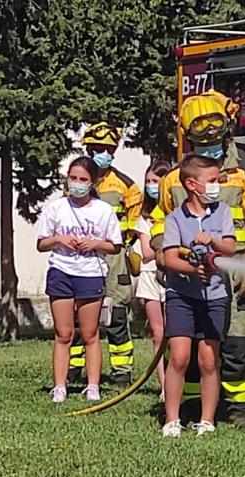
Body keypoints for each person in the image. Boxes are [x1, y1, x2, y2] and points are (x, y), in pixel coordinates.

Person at [151, 89, 245, 428]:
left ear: (227, 126)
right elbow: (160, 221)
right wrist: (166, 254)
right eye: (200, 130)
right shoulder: (174, 180)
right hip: (189, 279)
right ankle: (192, 408)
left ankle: (239, 410)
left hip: (236, 278)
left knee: (237, 344)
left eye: (214, 128)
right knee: (189, 350)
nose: (208, 136)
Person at [160, 154, 237, 437]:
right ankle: (171, 420)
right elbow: (169, 259)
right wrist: (192, 271)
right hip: (181, 296)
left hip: (215, 297)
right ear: (192, 185)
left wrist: (213, 240)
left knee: (208, 360)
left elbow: (230, 249)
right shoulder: (175, 219)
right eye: (213, 181)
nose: (218, 186)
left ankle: (207, 420)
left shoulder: (223, 213)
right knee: (179, 357)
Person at [38, 157, 123, 403]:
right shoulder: (56, 208)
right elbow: (42, 243)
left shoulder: (103, 210)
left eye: (83, 180)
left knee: (90, 333)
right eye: (73, 178)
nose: (76, 184)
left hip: (90, 273)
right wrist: (59, 240)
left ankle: (93, 385)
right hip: (61, 271)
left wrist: (95, 244)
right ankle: (60, 387)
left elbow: (115, 245)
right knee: (63, 333)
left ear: (93, 182)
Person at [68, 122, 143, 388]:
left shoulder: (126, 185)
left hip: (114, 257)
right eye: (98, 148)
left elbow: (134, 224)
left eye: (108, 149)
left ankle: (122, 371)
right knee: (80, 315)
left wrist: (126, 245)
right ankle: (74, 368)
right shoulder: (77, 182)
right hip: (82, 257)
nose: (104, 153)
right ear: (88, 149)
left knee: (117, 315)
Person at [133, 160, 173, 399]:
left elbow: (150, 250)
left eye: (156, 182)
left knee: (174, 332)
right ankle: (164, 386)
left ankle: (179, 382)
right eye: (148, 181)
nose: (151, 186)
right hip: (149, 276)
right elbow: (147, 252)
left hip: (170, 276)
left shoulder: (174, 212)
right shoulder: (144, 218)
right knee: (158, 334)